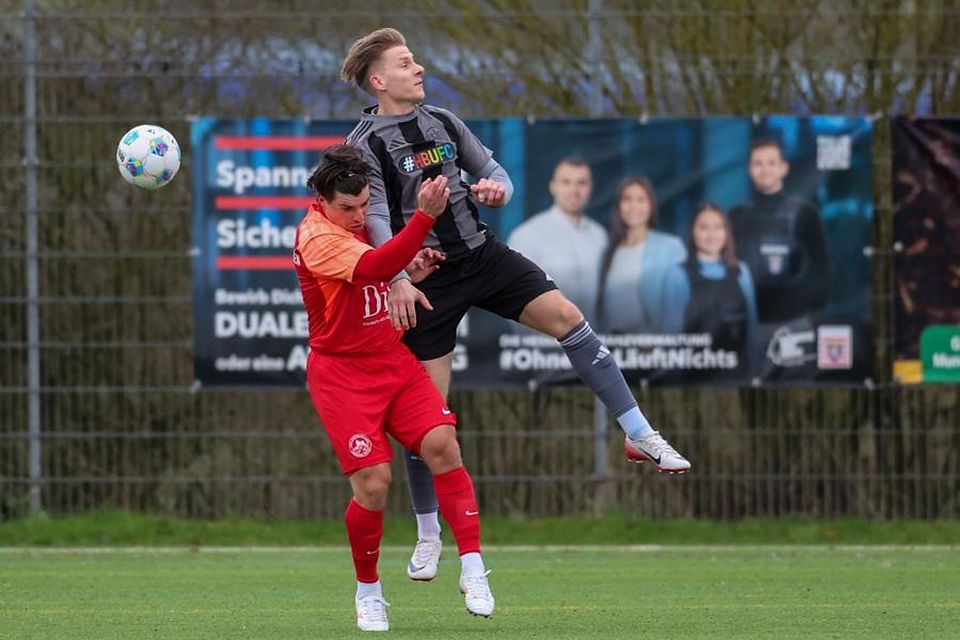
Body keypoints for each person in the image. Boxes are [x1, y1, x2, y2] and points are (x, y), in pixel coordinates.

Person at [340, 27, 690, 584]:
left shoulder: (443, 121)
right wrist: (397, 278)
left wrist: (498, 189)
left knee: (569, 319)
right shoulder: (365, 144)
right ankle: (428, 534)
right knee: (428, 420)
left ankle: (639, 432)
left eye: (416, 60)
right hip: (428, 279)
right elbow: (376, 219)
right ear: (379, 80)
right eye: (406, 63)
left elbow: (493, 172)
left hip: (483, 256)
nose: (419, 69)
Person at [294, 145, 495, 631]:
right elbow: (374, 268)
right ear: (322, 202)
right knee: (374, 483)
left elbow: (381, 273)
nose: (359, 216)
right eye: (348, 208)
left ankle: (473, 567)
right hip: (341, 375)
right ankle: (368, 592)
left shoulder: (359, 223)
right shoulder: (317, 236)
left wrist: (411, 270)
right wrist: (424, 219)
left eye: (366, 204)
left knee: (443, 444)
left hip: (389, 358)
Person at [728, 138, 830, 324]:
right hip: (748, 322)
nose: (765, 169)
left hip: (794, 321)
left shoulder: (804, 213)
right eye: (758, 164)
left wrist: (807, 309)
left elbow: (821, 269)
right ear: (749, 170)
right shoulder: (736, 216)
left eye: (771, 163)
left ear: (784, 168)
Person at [659, 203, 758, 380]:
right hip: (693, 379)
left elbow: (752, 329)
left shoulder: (741, 271)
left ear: (726, 232)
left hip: (738, 377)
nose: (711, 235)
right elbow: (670, 337)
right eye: (704, 227)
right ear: (693, 232)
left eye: (718, 227)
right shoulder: (677, 275)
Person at [507, 157, 607, 319]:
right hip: (543, 334)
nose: (574, 190)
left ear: (591, 188)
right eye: (566, 182)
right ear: (553, 186)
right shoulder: (526, 235)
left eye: (581, 183)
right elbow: (515, 298)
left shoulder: (600, 236)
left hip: (592, 332)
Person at [596, 176, 686, 333]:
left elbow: (682, 304)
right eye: (627, 199)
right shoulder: (608, 252)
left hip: (654, 343)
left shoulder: (671, 247)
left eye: (641, 199)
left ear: (651, 205)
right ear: (619, 206)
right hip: (614, 342)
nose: (633, 206)